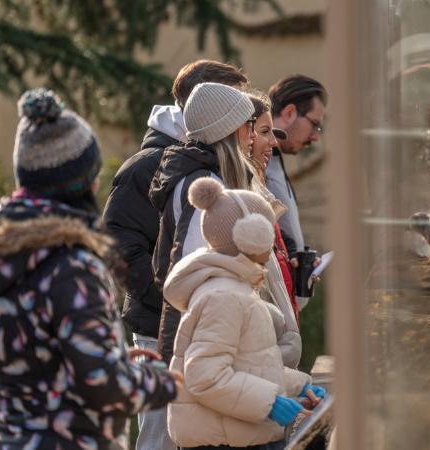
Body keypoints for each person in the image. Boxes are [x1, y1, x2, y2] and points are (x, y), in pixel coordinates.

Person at [0, 88, 180, 449]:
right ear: (78, 183)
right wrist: (165, 380)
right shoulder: (72, 264)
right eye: (92, 173)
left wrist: (102, 350)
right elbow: (105, 388)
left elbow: (25, 362)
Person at [101, 59, 249, 450]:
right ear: (199, 104)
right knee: (160, 435)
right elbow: (117, 245)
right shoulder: (148, 166)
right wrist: (168, 301)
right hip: (157, 327)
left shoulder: (207, 161)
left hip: (190, 322)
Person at [163, 177, 325, 449]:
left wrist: (300, 385)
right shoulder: (225, 296)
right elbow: (204, 376)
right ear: (253, 235)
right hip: (223, 440)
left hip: (234, 433)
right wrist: (270, 402)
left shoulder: (235, 288)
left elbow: (250, 365)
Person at [150, 82, 257, 366]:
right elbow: (198, 266)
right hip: (203, 337)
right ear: (230, 130)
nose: (253, 134)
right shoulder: (206, 187)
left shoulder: (202, 175)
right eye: (249, 124)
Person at [244, 92, 302, 368]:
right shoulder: (238, 199)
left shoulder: (258, 188)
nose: (274, 142)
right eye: (265, 131)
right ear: (243, 133)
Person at [265, 76, 328, 311]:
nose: (315, 137)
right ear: (290, 112)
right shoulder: (260, 163)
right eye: (315, 125)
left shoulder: (274, 160)